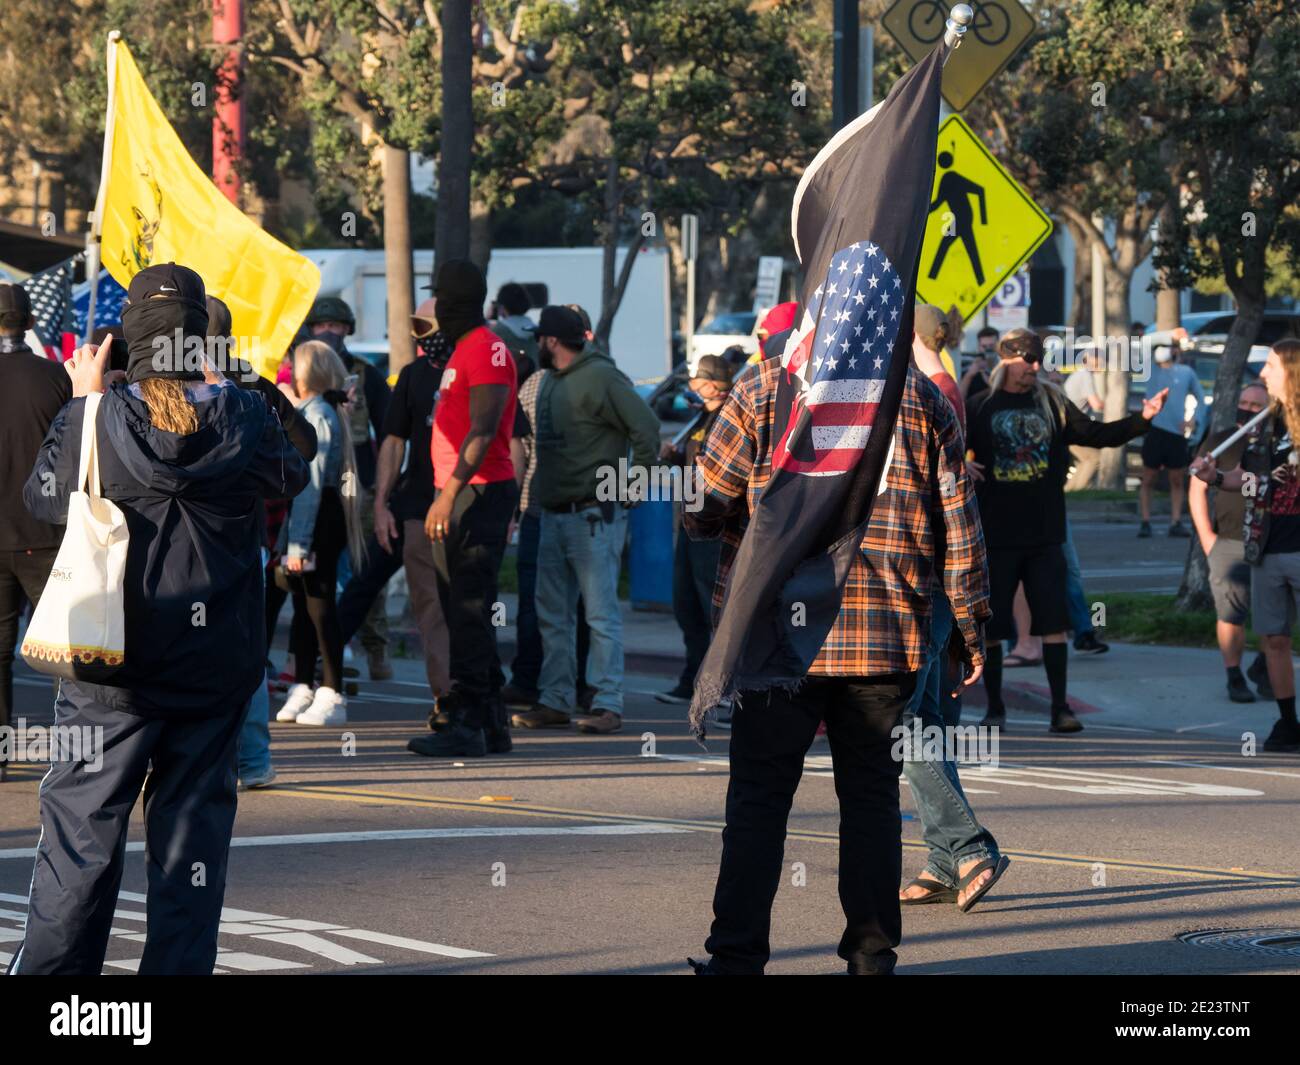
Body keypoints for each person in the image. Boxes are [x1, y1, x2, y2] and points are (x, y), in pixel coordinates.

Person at [10, 263, 308, 974]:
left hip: (111, 670)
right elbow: (294, 470)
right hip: (214, 670)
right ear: (199, 333)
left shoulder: (101, 418)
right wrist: (236, 384)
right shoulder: (243, 415)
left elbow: (44, 499)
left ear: (129, 334)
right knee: (191, 853)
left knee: (80, 845)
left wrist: (82, 401)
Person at [684, 352, 991, 976]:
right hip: (882, 634)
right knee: (871, 800)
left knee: (758, 803)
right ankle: (872, 958)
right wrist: (969, 620)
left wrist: (721, 512)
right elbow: (959, 521)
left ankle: (736, 958)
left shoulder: (767, 383)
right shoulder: (917, 394)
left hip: (775, 637)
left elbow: (704, 501)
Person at [967, 328, 1167, 734]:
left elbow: (1096, 434)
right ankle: (995, 708)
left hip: (1045, 533)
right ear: (1007, 359)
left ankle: (1059, 709)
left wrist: (1142, 420)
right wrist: (958, 464)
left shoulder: (1052, 401)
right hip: (998, 534)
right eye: (1028, 359)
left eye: (1039, 360)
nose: (1036, 368)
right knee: (994, 626)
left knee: (1053, 623)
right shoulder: (980, 406)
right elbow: (952, 448)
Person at [896, 306, 1006, 912]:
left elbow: (949, 506)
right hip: (933, 579)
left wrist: (969, 615)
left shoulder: (930, 391)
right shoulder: (939, 384)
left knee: (904, 726)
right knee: (929, 724)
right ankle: (944, 861)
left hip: (924, 578)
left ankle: (968, 846)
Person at [511, 306, 660, 736]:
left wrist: (632, 487)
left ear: (551, 341)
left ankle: (607, 702)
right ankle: (555, 700)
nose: (537, 344)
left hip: (592, 514)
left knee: (599, 615)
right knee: (552, 615)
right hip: (554, 515)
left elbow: (647, 428)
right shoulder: (550, 382)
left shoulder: (602, 377)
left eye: (541, 338)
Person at [408, 260, 519, 758]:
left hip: (476, 493)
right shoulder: (463, 350)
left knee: (469, 610)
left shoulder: (489, 349)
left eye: (444, 302)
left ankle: (469, 723)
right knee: (462, 609)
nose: (438, 312)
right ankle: (492, 722)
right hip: (460, 492)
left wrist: (449, 493)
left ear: (462, 304)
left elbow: (485, 426)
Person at [206, 296, 318, 789]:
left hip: (186, 541)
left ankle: (206, 762)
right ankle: (251, 760)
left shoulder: (166, 380)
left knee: (185, 651)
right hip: (246, 536)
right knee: (248, 649)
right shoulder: (251, 382)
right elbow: (306, 445)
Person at [339, 300, 452, 720]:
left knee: (450, 606)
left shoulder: (480, 372)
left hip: (462, 510)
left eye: (425, 324)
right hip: (412, 507)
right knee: (366, 583)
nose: (419, 332)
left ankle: (462, 697)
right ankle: (321, 665)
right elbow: (392, 441)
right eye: (414, 324)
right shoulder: (412, 376)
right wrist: (383, 503)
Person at [1191, 340, 1300, 752]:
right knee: (1273, 638)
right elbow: (1254, 482)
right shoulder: (1267, 424)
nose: (1265, 372)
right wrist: (1215, 477)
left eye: (1271, 365)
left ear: (1291, 370)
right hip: (1267, 545)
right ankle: (1288, 723)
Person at [274, 341, 367, 727]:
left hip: (318, 517)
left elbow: (310, 486)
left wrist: (297, 544)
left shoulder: (319, 415)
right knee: (304, 605)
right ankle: (305, 685)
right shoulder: (315, 410)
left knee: (319, 604)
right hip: (314, 515)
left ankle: (333, 690)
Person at [0, 283, 72, 783]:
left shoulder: (56, 377)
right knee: (63, 654)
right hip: (46, 532)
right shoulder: (56, 379)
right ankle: (72, 752)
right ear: (28, 323)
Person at [303, 296, 393, 679]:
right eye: (321, 326)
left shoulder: (365, 374)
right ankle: (326, 651)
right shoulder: (303, 369)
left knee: (364, 566)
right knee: (317, 568)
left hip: (358, 477)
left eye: (335, 326)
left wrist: (384, 490)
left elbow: (390, 430)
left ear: (347, 330)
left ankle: (376, 648)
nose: (328, 332)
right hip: (317, 478)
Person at [656, 354, 734, 705]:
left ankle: (719, 685)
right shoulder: (700, 417)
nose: (690, 390)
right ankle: (692, 677)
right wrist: (675, 456)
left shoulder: (728, 418)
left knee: (710, 606)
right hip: (690, 523)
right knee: (685, 602)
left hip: (713, 526)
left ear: (714, 386)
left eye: (697, 384)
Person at [1189, 383, 1273, 703]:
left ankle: (1266, 665)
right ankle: (1234, 675)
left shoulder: (1276, 443)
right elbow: (1197, 486)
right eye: (1243, 402)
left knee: (1273, 614)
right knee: (1230, 613)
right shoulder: (1222, 439)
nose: (1247, 409)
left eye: (1256, 405)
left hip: (1270, 540)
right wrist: (1207, 536)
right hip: (1229, 539)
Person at [1138, 344, 1206, 538]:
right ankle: (1145, 521)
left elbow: (1200, 398)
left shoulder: (1186, 372)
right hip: (1155, 430)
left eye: (1169, 348)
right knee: (1149, 477)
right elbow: (1145, 345)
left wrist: (1193, 418)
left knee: (1176, 479)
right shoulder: (1151, 369)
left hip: (1175, 434)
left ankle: (1175, 521)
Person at [1064, 345, 1105, 491]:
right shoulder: (1085, 375)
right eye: (1101, 359)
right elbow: (1096, 404)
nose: (1103, 363)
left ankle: (1069, 493)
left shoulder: (1080, 374)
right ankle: (1078, 491)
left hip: (1069, 427)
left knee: (1084, 461)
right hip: (1073, 428)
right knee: (1095, 459)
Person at [960, 325, 999, 403]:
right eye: (984, 346)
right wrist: (969, 375)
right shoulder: (969, 365)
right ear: (979, 347)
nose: (988, 349)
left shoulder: (1004, 366)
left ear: (998, 345)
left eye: (991, 346)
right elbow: (960, 398)